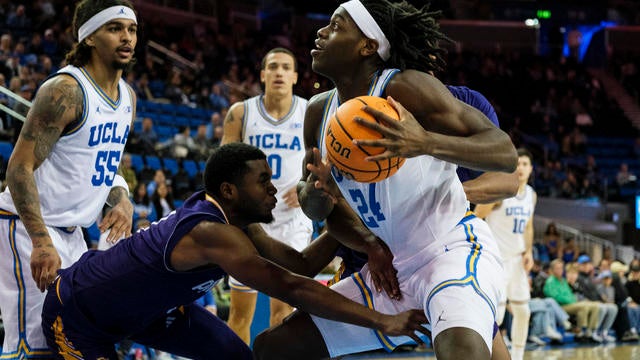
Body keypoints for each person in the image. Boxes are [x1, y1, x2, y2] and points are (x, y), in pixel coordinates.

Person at [253, 1, 518, 359]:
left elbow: (504, 154)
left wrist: (424, 143)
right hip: (393, 268)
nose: (320, 33)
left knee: (462, 351)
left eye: (335, 26)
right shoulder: (318, 111)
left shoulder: (405, 89)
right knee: (274, 347)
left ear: (367, 46)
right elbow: (320, 210)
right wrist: (317, 194)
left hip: (451, 249)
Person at [41, 142, 429, 359]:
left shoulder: (239, 225)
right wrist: (382, 321)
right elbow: (291, 287)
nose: (274, 190)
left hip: (149, 311)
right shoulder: (213, 232)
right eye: (263, 182)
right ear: (229, 191)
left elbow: (303, 264)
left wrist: (344, 220)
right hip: (77, 313)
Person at [0, 1, 137, 358]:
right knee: (36, 348)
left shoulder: (128, 98)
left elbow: (102, 162)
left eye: (131, 29)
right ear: (90, 36)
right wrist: (41, 241)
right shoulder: (65, 90)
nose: (127, 37)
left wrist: (121, 196)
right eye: (115, 28)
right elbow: (18, 168)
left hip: (74, 236)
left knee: (71, 343)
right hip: (28, 228)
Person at [221, 47, 314, 344]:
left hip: (293, 221)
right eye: (273, 67)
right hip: (250, 224)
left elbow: (328, 164)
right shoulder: (241, 113)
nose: (279, 73)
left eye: (286, 67)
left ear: (296, 77)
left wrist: (306, 187)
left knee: (283, 314)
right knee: (239, 315)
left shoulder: (311, 111)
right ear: (262, 74)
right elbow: (220, 169)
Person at [474, 148, 536, 360]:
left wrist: (529, 251)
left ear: (531, 169)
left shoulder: (531, 195)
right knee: (495, 315)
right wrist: (492, 197)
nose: (521, 168)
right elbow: (477, 215)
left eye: (525, 164)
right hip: (496, 259)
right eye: (517, 163)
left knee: (523, 312)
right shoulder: (502, 189)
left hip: (517, 260)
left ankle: (517, 356)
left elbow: (528, 227)